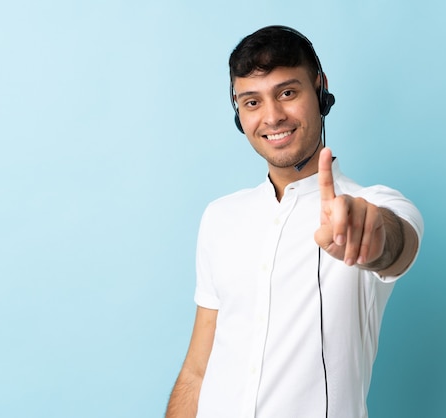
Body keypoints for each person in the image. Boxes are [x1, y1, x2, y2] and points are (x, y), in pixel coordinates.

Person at [165, 25, 424, 418]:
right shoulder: (220, 217)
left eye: (287, 93)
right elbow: (197, 371)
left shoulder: (372, 203)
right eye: (251, 102)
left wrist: (369, 238)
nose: (272, 116)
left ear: (320, 90)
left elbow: (396, 245)